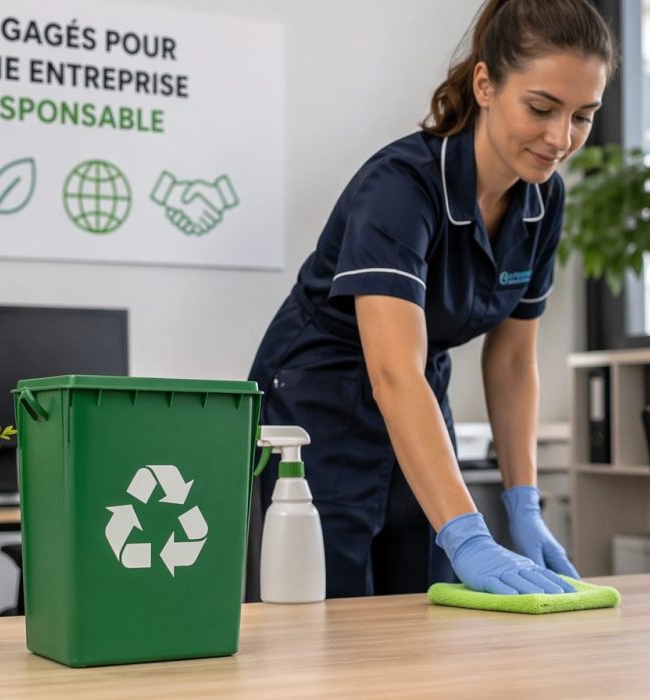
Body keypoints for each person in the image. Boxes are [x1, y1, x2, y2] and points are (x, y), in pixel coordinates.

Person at [248, 0, 617, 598]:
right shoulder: (400, 187)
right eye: (542, 108)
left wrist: (523, 503)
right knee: (327, 618)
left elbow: (513, 361)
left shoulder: (542, 201)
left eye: (583, 115)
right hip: (319, 400)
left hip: (419, 394)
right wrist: (469, 533)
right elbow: (391, 370)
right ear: (486, 84)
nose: (561, 138)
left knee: (428, 605)